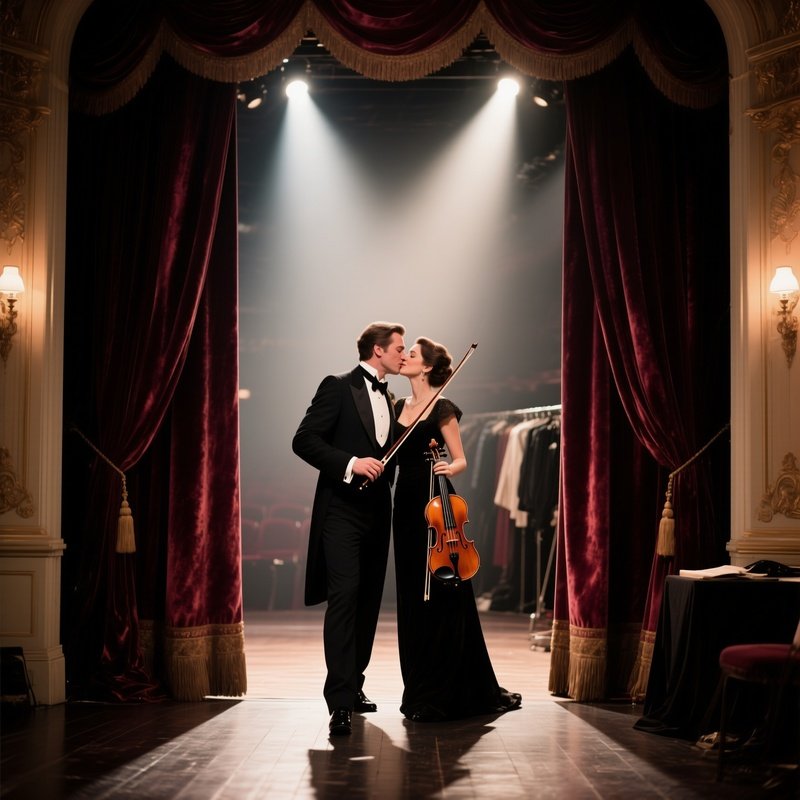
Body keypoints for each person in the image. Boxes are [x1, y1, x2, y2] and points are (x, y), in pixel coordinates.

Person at [392, 336, 522, 722]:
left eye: (412, 354)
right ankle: (417, 684)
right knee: (413, 594)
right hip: (405, 505)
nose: (405, 358)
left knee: (445, 594)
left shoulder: (443, 407)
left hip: (436, 501)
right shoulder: (398, 406)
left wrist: (450, 467)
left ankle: (447, 685)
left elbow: (461, 458)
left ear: (427, 366)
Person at [292, 321, 406, 736]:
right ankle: (338, 701)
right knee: (344, 598)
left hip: (379, 511)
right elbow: (303, 440)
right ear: (378, 349)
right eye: (399, 348)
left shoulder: (391, 398)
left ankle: (354, 684)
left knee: (369, 602)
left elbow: (390, 451)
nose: (403, 354)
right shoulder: (338, 385)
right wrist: (350, 463)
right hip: (341, 510)